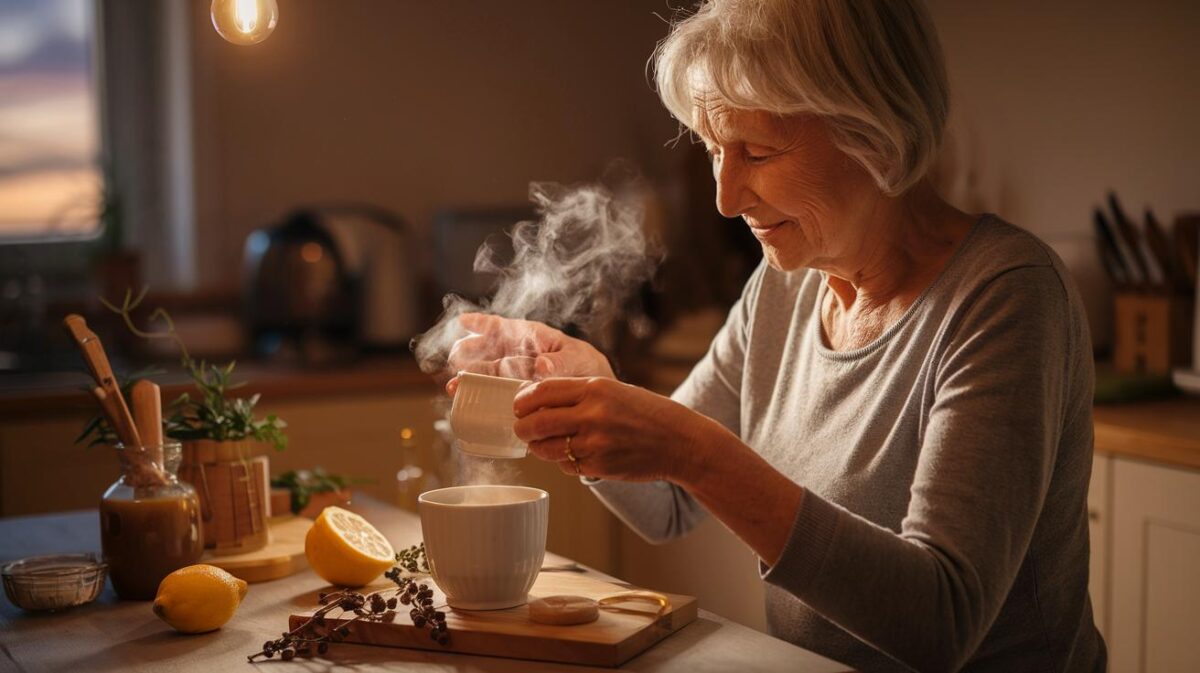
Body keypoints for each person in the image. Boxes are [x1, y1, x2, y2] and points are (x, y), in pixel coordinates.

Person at [447, 1, 1104, 670]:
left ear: (872, 131)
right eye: (713, 151)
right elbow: (667, 502)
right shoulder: (787, 283)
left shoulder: (1006, 294)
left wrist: (696, 453)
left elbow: (941, 621)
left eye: (756, 152)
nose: (726, 197)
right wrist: (590, 393)